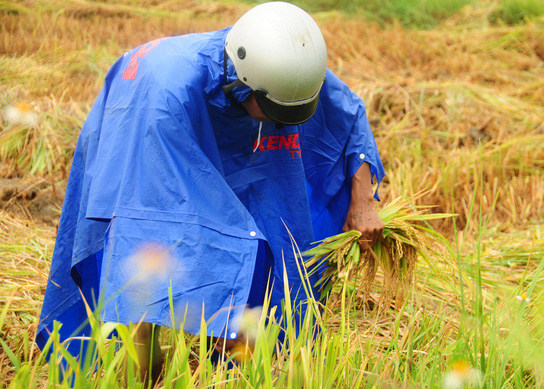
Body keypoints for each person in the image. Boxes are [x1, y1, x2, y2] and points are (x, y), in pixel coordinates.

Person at [36, 1, 385, 385]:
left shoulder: (289, 67)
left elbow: (346, 113)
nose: (282, 123)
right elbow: (165, 219)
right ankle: (143, 376)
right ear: (241, 79)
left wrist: (364, 199)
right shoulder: (167, 98)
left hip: (224, 131)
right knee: (148, 260)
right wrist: (216, 302)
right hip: (141, 129)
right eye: (272, 109)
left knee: (273, 237)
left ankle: (241, 364)